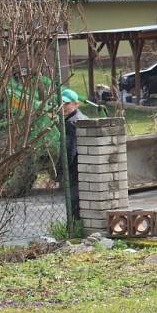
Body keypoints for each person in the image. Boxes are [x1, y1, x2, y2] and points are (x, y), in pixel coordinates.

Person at [62, 88, 87, 218]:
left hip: (74, 169)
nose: (63, 106)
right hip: (84, 168)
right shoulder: (82, 118)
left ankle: (73, 228)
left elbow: (70, 149)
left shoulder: (71, 123)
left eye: (67, 103)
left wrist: (64, 169)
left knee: (74, 202)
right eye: (61, 103)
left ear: (76, 104)